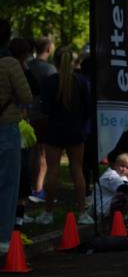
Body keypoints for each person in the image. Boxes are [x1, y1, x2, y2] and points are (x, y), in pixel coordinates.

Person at [37, 49, 92, 226]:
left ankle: (48, 213)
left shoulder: (49, 82)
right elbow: (88, 108)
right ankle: (82, 212)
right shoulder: (82, 81)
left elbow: (44, 109)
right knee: (77, 170)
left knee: (52, 171)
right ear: (73, 62)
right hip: (75, 130)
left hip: (54, 129)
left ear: (55, 62)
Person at [0, 40, 32, 255]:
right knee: (8, 184)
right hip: (6, 127)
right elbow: (26, 96)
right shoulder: (9, 63)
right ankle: (3, 239)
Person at [26, 37, 56, 204]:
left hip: (27, 113)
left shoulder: (27, 65)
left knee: (32, 151)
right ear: (49, 49)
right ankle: (38, 189)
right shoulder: (49, 69)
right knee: (42, 153)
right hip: (43, 115)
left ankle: (31, 185)